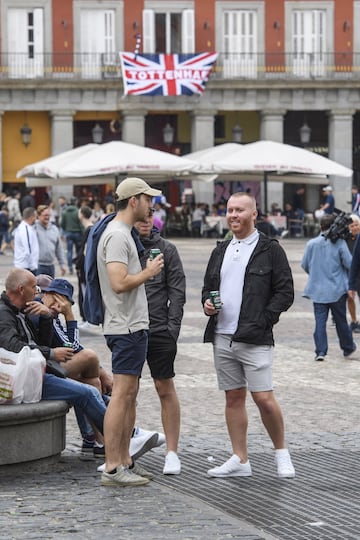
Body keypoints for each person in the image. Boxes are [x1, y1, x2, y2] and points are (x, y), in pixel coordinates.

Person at [202, 192, 295, 479]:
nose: (233, 215)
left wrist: (265, 320)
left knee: (264, 398)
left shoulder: (270, 249)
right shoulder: (220, 249)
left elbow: (285, 292)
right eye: (229, 210)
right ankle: (240, 458)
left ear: (254, 214)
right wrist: (206, 304)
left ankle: (281, 453)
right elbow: (208, 288)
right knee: (233, 398)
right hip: (223, 335)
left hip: (255, 336)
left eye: (240, 210)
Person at [97, 177, 164, 487]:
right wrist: (148, 273)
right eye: (148, 199)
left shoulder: (123, 233)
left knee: (130, 395)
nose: (152, 206)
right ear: (133, 200)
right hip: (124, 326)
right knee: (121, 396)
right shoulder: (117, 236)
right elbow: (118, 282)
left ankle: (125, 460)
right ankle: (112, 467)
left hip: (132, 326)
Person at [134, 214, 185, 475]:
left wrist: (172, 329)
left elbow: (177, 291)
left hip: (159, 328)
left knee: (164, 386)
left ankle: (172, 452)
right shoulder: (123, 246)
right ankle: (122, 451)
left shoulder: (166, 249)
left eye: (149, 217)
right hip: (129, 329)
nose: (146, 221)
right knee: (126, 391)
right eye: (140, 217)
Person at [301, 214, 356, 361]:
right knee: (340, 321)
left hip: (318, 291)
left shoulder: (311, 244)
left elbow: (305, 265)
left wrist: (315, 274)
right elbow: (349, 264)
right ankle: (348, 347)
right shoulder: (339, 243)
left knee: (320, 322)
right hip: (337, 290)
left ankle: (320, 351)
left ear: (320, 226)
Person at [35, 205, 66, 278]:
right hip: (38, 265)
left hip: (51, 266)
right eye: (45, 215)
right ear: (38, 215)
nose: (47, 217)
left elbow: (59, 248)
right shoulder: (33, 228)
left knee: (50, 288)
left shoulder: (54, 229)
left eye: (48, 215)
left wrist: (62, 264)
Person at [60, 197, 82, 275]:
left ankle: (70, 268)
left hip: (68, 232)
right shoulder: (78, 211)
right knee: (78, 251)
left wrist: (65, 229)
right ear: (75, 202)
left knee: (69, 251)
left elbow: (61, 223)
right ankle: (78, 267)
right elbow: (80, 223)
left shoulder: (65, 212)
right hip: (77, 233)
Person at [13, 207, 39, 274]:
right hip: (26, 266)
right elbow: (28, 248)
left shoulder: (26, 227)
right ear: (31, 217)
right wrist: (33, 266)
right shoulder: (25, 229)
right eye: (35, 216)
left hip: (24, 265)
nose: (36, 218)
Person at [346, 215, 360, 333]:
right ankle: (354, 320)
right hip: (350, 272)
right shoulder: (345, 240)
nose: (355, 227)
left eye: (357, 224)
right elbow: (354, 261)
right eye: (352, 225)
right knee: (350, 298)